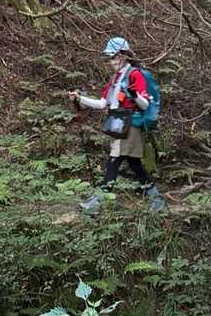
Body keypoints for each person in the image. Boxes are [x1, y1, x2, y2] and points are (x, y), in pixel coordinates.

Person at [70, 37, 166, 214]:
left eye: (115, 57)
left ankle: (96, 202)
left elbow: (145, 104)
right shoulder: (115, 78)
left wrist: (134, 95)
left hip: (130, 125)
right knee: (134, 164)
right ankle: (156, 200)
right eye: (111, 58)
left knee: (113, 161)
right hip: (118, 125)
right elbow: (102, 103)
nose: (112, 61)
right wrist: (80, 98)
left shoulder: (134, 74)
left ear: (125, 55)